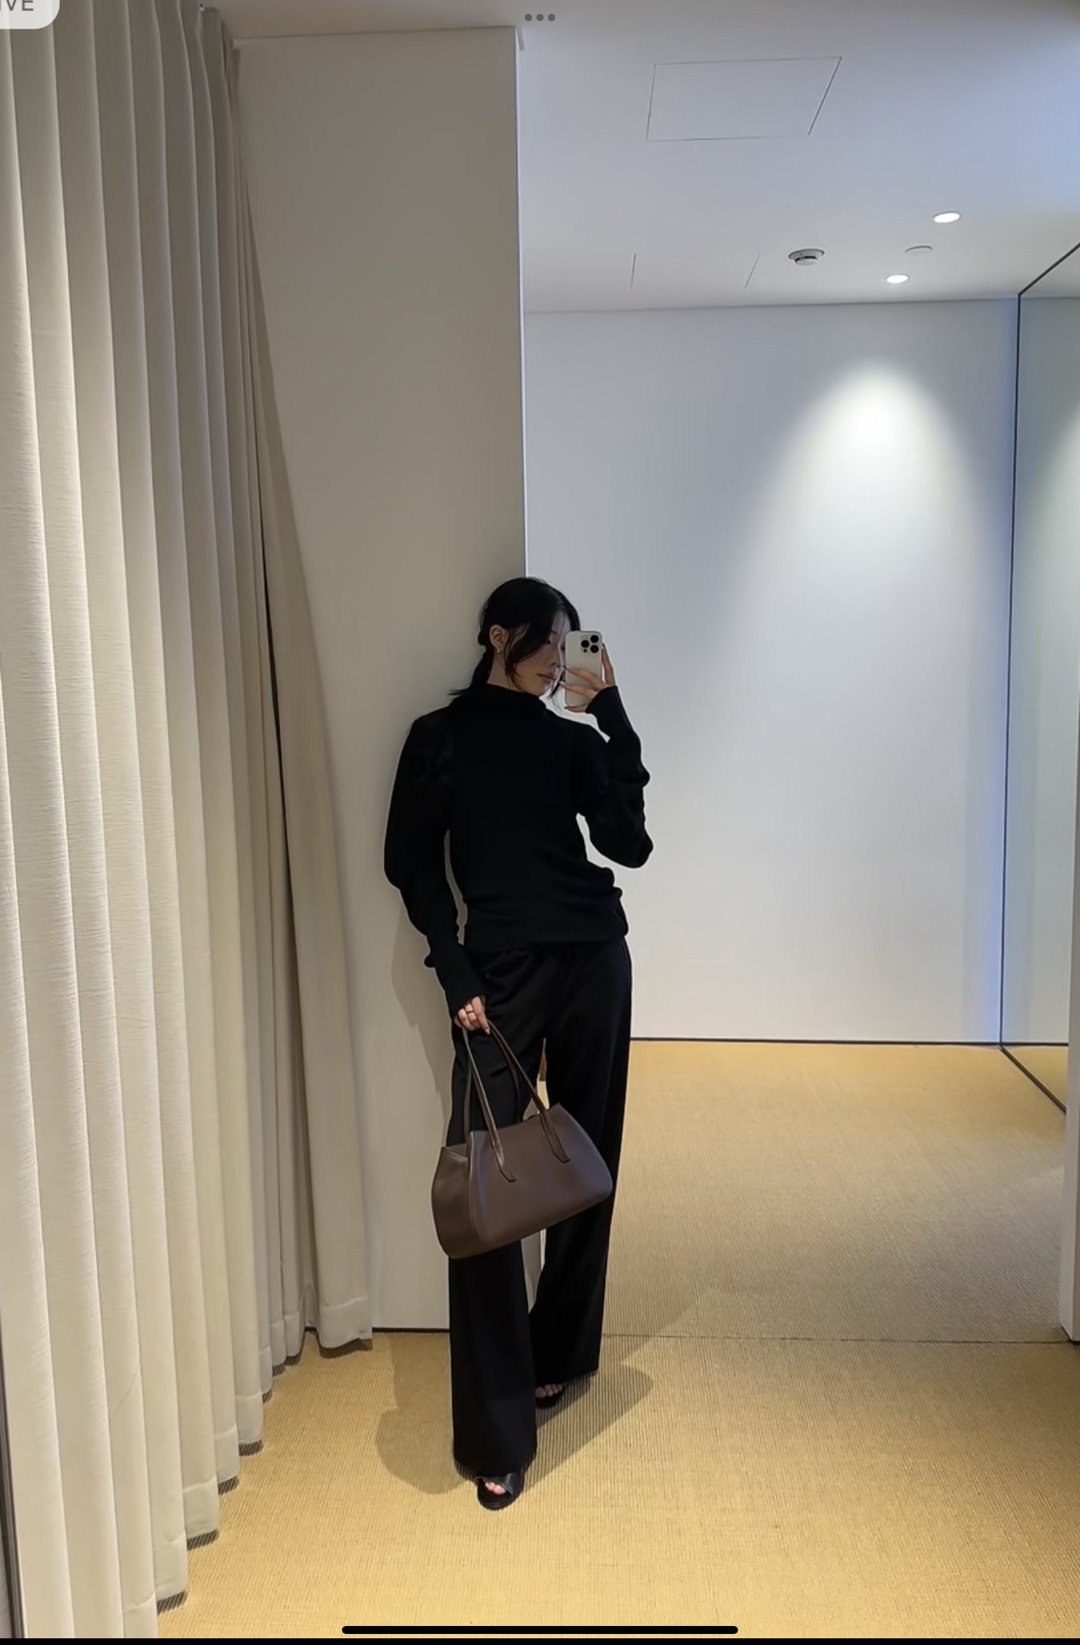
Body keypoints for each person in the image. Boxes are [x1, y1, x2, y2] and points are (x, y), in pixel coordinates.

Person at [384, 576, 652, 1510]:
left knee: (587, 1164)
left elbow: (630, 844)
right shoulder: (440, 737)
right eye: (548, 643)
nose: (557, 661)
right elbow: (409, 863)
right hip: (498, 977)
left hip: (595, 960)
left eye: (571, 646)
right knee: (485, 1193)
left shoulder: (572, 741)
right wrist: (454, 970)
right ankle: (497, 1431)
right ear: (499, 636)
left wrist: (611, 714)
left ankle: (560, 1352)